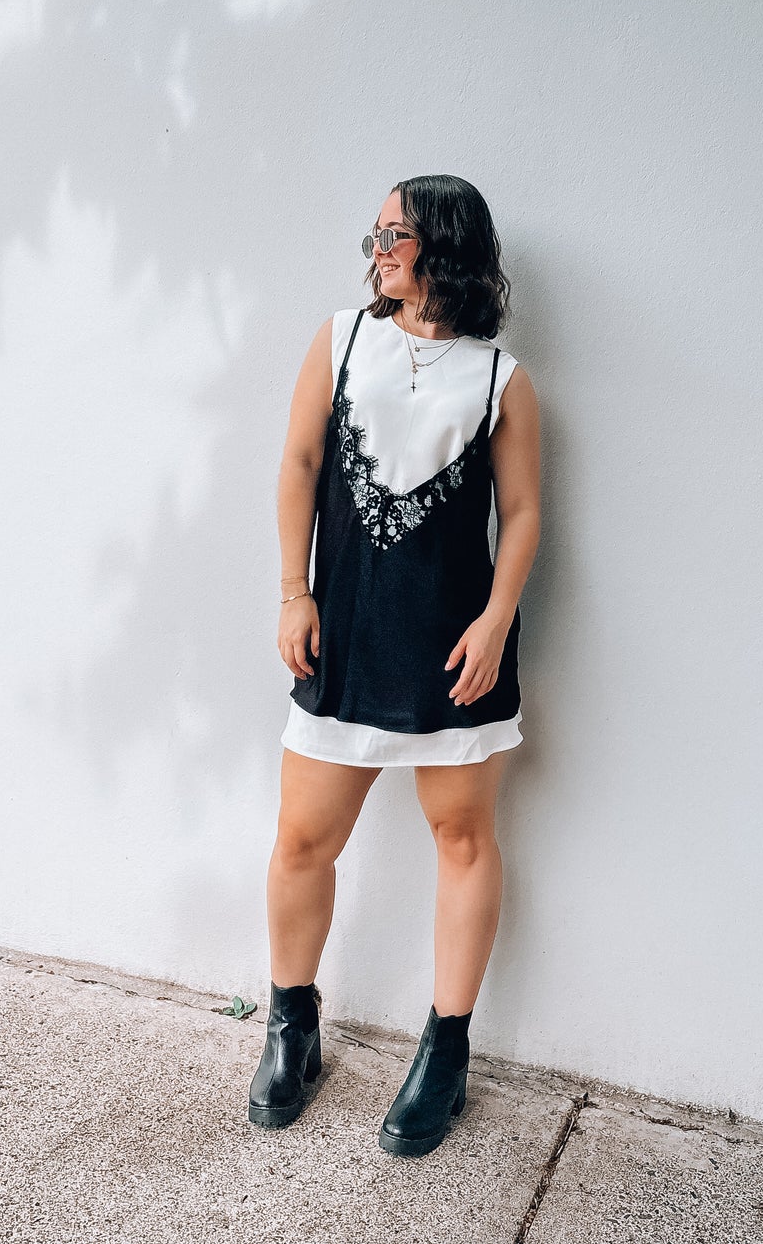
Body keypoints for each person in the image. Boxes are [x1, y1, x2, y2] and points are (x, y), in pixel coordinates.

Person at [248, 174, 542, 1156]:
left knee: (462, 836)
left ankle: (445, 1052)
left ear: (442, 247)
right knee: (300, 840)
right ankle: (291, 1024)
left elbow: (526, 512)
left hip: (456, 654)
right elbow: (295, 466)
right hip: (346, 637)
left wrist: (499, 619)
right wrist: (294, 591)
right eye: (374, 230)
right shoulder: (339, 340)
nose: (376, 246)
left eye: (393, 231)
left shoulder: (501, 378)